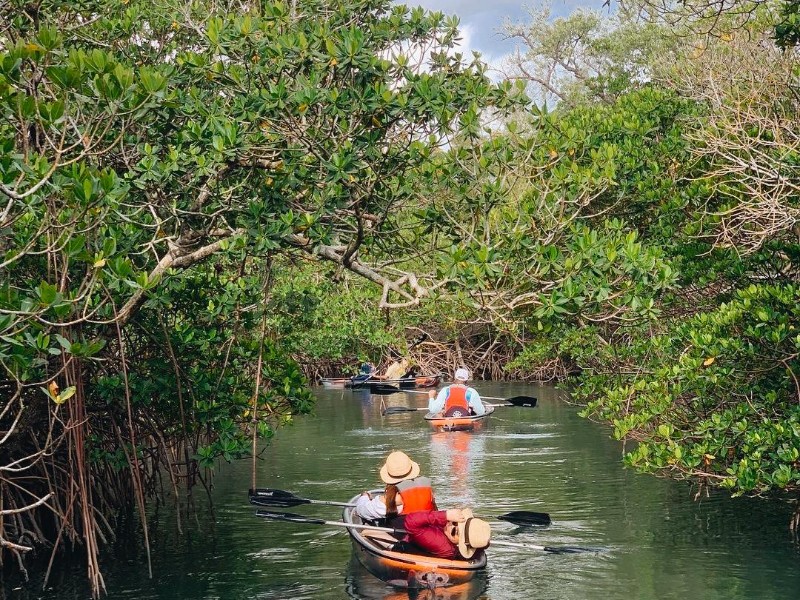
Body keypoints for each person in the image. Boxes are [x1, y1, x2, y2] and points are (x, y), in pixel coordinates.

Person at [355, 450, 437, 523]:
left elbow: (361, 510)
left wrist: (364, 497)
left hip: (405, 535)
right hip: (427, 530)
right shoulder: (426, 490)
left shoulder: (390, 500)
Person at [392, 508, 491, 560]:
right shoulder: (449, 534)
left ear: (459, 544)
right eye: (455, 522)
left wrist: (445, 515)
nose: (451, 526)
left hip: (407, 544)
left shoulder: (440, 543)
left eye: (454, 532)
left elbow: (410, 522)